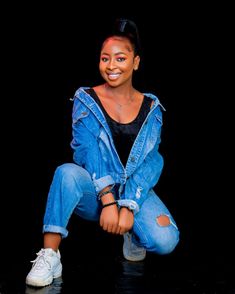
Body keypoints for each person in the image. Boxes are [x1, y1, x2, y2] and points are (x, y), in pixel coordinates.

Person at [25, 18, 180, 288]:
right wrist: (108, 199)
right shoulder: (86, 99)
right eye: (105, 58)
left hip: (133, 188)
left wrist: (129, 204)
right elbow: (85, 150)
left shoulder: (152, 107)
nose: (111, 66)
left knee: (166, 241)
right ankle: (50, 254)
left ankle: (131, 232)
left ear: (136, 63)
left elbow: (153, 161)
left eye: (120, 58)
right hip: (95, 189)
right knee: (66, 173)